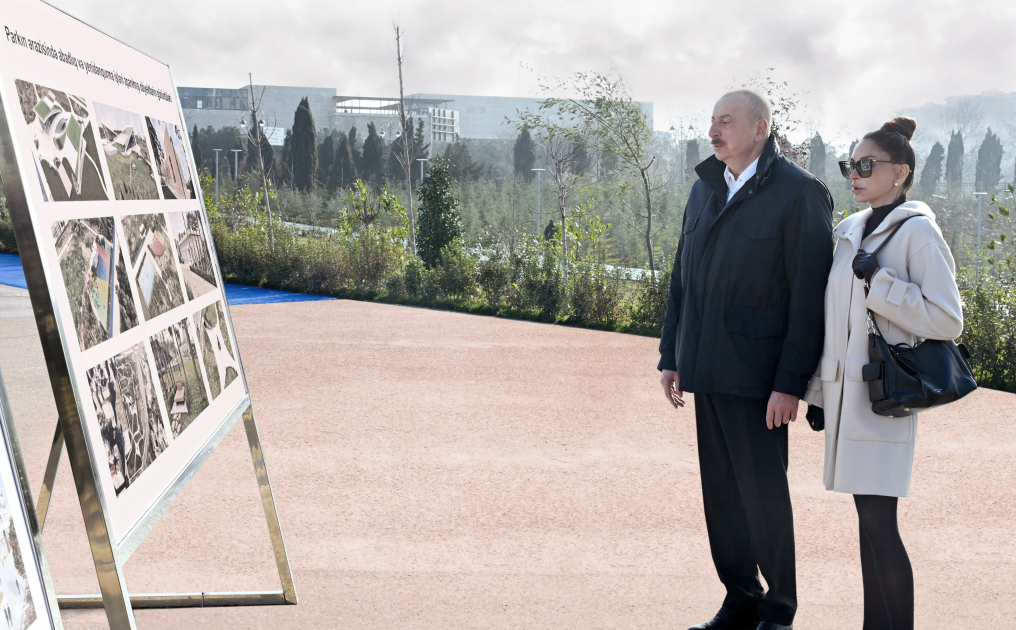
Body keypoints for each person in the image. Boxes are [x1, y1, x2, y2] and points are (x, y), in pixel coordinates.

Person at [658, 89, 834, 630]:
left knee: (763, 499)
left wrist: (789, 382)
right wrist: (672, 353)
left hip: (759, 379)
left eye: (727, 121)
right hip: (706, 369)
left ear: (760, 128)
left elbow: (808, 298)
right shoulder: (703, 188)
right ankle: (740, 599)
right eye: (713, 120)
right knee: (723, 498)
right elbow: (681, 279)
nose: (715, 130)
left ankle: (778, 611)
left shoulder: (799, 193)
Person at [804, 117, 963, 630]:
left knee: (879, 522)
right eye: (851, 165)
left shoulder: (918, 232)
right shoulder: (849, 231)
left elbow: (946, 318)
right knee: (867, 523)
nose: (854, 173)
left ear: (900, 172)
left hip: (884, 397)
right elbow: (834, 323)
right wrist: (817, 393)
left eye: (866, 165)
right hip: (847, 397)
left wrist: (882, 281)